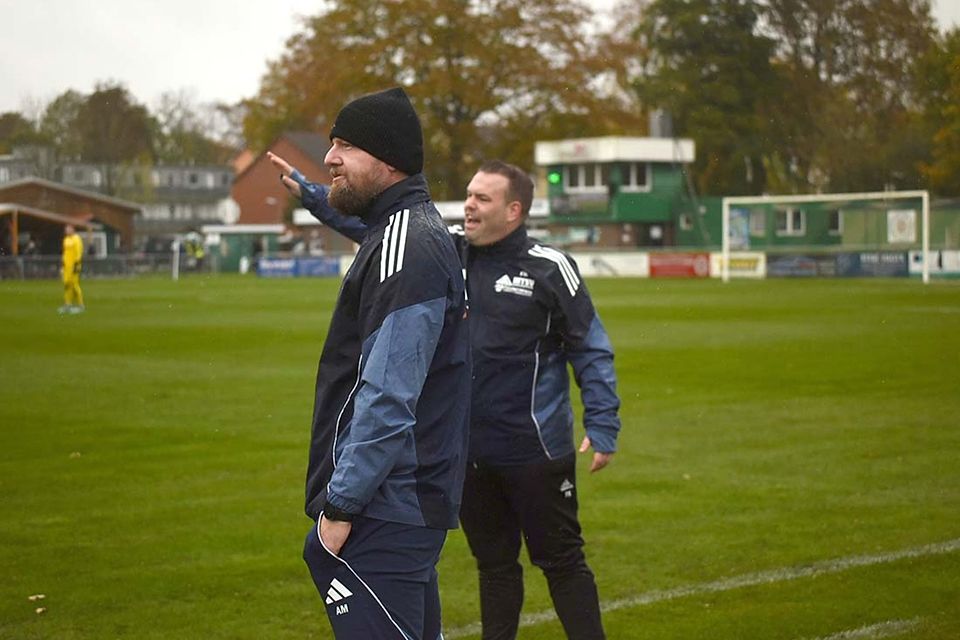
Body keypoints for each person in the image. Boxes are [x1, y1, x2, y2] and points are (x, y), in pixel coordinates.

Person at [276, 155, 622, 639]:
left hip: (536, 453)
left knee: (562, 562)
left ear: (514, 211)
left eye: (483, 198)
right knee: (495, 567)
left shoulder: (549, 267)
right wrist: (314, 194)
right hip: (466, 456)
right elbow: (371, 228)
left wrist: (602, 422)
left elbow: (590, 348)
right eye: (469, 195)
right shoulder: (444, 252)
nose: (470, 206)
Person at [272, 87, 471, 640]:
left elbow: (389, 395)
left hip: (385, 506)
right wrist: (313, 194)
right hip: (400, 502)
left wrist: (340, 506)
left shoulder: (408, 246)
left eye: (344, 146)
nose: (330, 157)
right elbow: (365, 227)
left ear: (387, 161)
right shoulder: (404, 231)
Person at [60, 224, 85, 314]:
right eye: (66, 230)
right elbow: (64, 253)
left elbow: (79, 252)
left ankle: (81, 305)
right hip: (67, 266)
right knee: (67, 285)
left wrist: (76, 264)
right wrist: (62, 265)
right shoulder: (66, 240)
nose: (67, 231)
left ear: (73, 230)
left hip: (74, 266)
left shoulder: (77, 239)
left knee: (75, 285)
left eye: (69, 229)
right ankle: (67, 304)